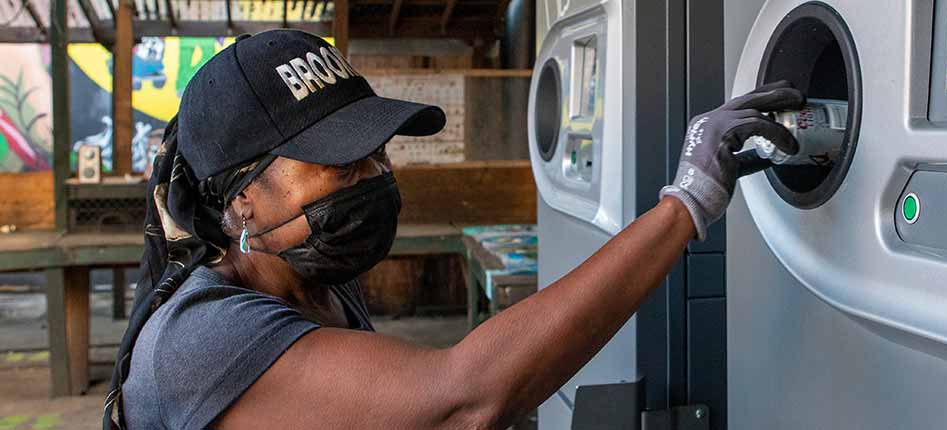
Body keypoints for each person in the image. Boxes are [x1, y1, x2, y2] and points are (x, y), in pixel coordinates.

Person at [104, 29, 803, 430]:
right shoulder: (202, 338)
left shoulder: (316, 287)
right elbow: (463, 396)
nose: (374, 174)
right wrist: (685, 204)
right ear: (244, 197)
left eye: (375, 152)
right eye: (339, 161)